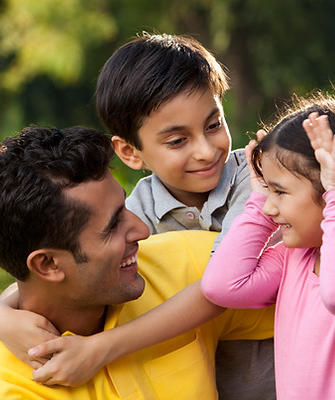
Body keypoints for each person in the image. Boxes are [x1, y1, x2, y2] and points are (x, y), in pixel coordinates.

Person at [0, 125, 272, 399]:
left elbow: (310, 275)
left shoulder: (182, 263)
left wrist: (1, 311)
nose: (141, 230)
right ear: (48, 265)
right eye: (113, 226)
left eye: (124, 207)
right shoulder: (2, 389)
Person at [96, 32, 275, 399]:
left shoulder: (259, 177)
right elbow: (82, 270)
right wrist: (5, 315)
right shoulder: (137, 214)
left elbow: (224, 279)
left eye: (213, 124)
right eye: (178, 141)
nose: (207, 151)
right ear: (130, 152)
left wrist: (106, 346)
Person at [202, 93, 335, 399]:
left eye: (280, 192)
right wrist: (256, 202)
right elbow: (222, 285)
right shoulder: (293, 257)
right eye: (268, 190)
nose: (269, 207)